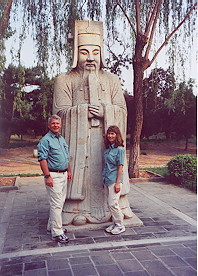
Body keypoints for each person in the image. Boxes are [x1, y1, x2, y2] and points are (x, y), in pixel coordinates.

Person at [53, 20, 133, 225]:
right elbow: (58, 114)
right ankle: (75, 208)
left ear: (102, 54)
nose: (90, 58)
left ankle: (117, 207)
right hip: (80, 143)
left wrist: (107, 111)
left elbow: (122, 111)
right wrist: (82, 112)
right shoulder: (65, 80)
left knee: (111, 169)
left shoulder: (112, 80)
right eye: (84, 52)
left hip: (108, 141)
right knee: (84, 172)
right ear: (75, 54)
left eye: (95, 52)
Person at [37, 114, 72, 243]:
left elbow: (66, 156)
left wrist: (69, 170)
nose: (56, 125)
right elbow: (42, 159)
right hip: (53, 176)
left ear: (60, 125)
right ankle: (57, 233)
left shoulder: (61, 139)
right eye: (53, 123)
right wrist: (47, 176)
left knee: (59, 203)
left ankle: (51, 227)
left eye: (57, 123)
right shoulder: (45, 140)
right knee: (56, 204)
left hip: (63, 175)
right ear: (48, 125)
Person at [103, 125, 126, 235]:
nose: (110, 135)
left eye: (112, 133)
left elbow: (120, 167)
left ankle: (120, 225)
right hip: (107, 179)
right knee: (110, 203)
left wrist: (118, 183)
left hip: (115, 180)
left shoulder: (120, 149)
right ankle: (115, 222)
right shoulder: (108, 149)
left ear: (117, 135)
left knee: (113, 204)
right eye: (109, 133)